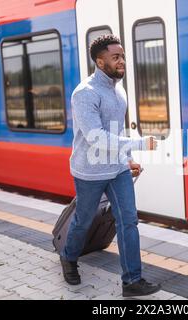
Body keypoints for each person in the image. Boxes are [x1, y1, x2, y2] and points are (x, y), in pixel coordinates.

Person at [60, 34, 161, 297]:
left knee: (129, 221)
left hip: (116, 169)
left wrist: (126, 159)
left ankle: (132, 281)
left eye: (123, 56)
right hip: (90, 172)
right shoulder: (85, 93)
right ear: (100, 61)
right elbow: (96, 137)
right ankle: (69, 257)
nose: (122, 61)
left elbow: (115, 129)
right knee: (83, 220)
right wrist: (138, 144)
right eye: (116, 57)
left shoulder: (119, 89)